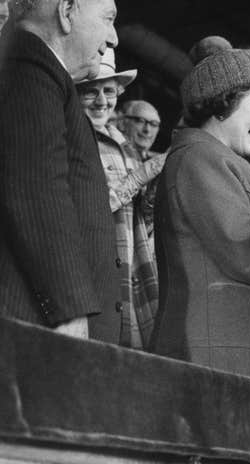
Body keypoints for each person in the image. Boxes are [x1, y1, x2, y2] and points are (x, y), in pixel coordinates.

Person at [151, 36, 250, 384]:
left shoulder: (216, 159)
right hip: (215, 356)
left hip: (230, 353)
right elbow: (248, 250)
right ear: (222, 103)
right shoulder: (201, 157)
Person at [0, 0, 121, 341]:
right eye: (108, 19)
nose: (113, 38)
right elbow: (36, 189)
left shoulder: (39, 70)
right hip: (41, 325)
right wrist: (68, 308)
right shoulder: (28, 62)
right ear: (67, 11)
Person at [75, 49, 163, 349]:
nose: (102, 101)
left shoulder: (121, 141)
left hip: (132, 265)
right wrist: (142, 175)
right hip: (99, 266)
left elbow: (140, 219)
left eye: (109, 91)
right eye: (91, 92)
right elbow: (90, 209)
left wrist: (152, 191)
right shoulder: (76, 137)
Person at [118, 99, 165, 245]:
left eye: (154, 124)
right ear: (122, 121)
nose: (147, 130)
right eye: (140, 121)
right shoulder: (112, 154)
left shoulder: (158, 161)